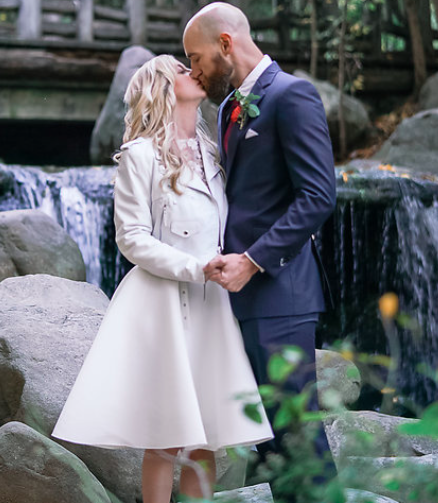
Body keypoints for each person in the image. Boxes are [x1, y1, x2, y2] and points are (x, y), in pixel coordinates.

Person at [53, 54, 273, 503]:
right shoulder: (139, 155)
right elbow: (131, 238)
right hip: (164, 306)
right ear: (161, 88)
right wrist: (197, 267)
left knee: (206, 438)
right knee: (167, 438)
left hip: (214, 305)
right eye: (177, 68)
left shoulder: (217, 150)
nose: (190, 70)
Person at [182, 2, 338, 486]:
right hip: (239, 299)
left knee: (297, 435)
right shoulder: (229, 106)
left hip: (283, 295)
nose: (194, 70)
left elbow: (318, 196)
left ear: (225, 44)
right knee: (270, 442)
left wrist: (252, 260)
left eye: (197, 57)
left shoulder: (293, 96)